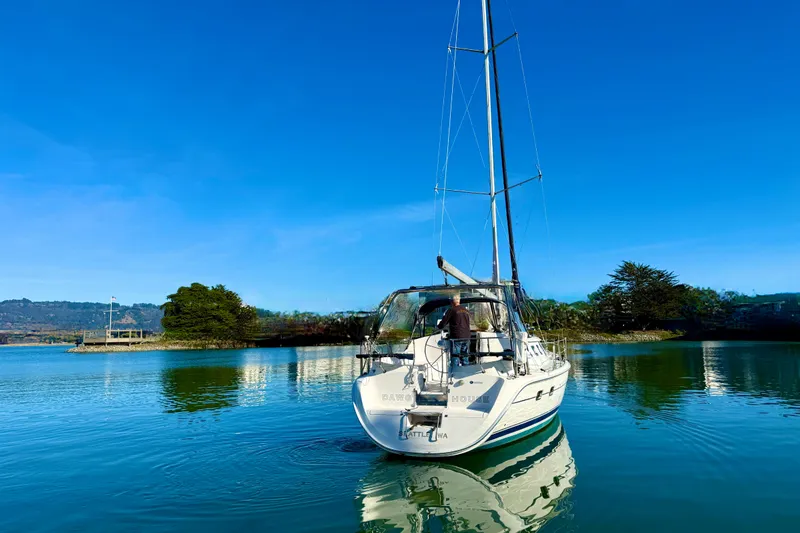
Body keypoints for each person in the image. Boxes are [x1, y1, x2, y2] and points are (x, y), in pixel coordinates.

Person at [437, 294, 471, 365]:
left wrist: (438, 327)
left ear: (452, 302)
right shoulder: (466, 310)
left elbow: (444, 322)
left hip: (457, 337)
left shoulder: (451, 310)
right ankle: (466, 370)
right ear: (459, 301)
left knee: (455, 357)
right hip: (467, 336)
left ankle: (455, 370)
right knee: (465, 357)